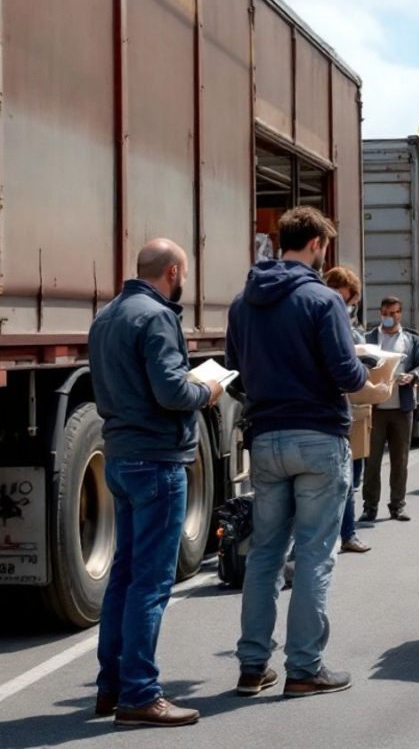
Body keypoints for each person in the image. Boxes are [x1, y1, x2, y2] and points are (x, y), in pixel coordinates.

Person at [226, 206, 373, 698]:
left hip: (265, 437)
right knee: (314, 554)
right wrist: (366, 371)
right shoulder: (322, 300)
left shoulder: (242, 303)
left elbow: (234, 376)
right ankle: (305, 668)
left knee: (265, 553)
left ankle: (252, 666)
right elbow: (347, 375)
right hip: (318, 436)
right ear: (316, 246)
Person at [88, 238, 223, 728]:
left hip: (122, 456)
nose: (183, 280)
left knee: (124, 577)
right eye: (182, 272)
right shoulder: (158, 316)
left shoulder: (107, 316)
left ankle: (112, 687)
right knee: (151, 583)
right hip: (158, 460)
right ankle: (141, 694)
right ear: (171, 271)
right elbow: (170, 391)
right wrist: (206, 389)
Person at [359, 296, 419, 523]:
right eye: (385, 313)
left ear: (400, 314)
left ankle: (397, 506)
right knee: (372, 462)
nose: (389, 318)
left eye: (393, 313)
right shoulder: (369, 338)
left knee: (400, 461)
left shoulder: (410, 340)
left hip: (402, 409)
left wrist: (413, 375)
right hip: (375, 409)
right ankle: (369, 508)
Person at [323, 266, 370, 554]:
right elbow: (348, 373)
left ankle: (347, 533)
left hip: (346, 411)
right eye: (351, 302)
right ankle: (344, 534)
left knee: (350, 477)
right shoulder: (331, 319)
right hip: (333, 414)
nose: (351, 309)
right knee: (345, 479)